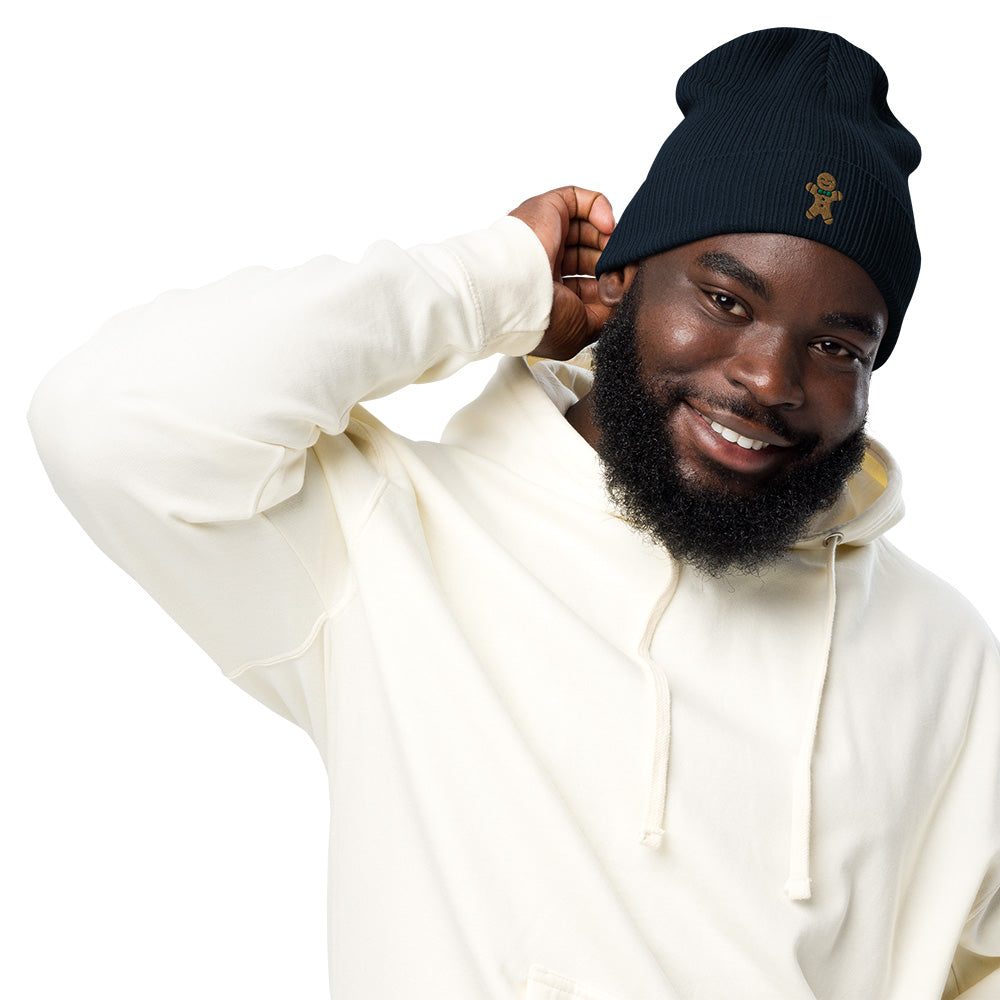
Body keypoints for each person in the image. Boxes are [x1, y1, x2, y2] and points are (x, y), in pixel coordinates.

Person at [29, 27, 999, 1000]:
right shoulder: (389, 537)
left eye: (838, 347)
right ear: (619, 280)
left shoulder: (946, 655)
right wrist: (487, 281)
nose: (766, 377)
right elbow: (111, 416)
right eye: (723, 298)